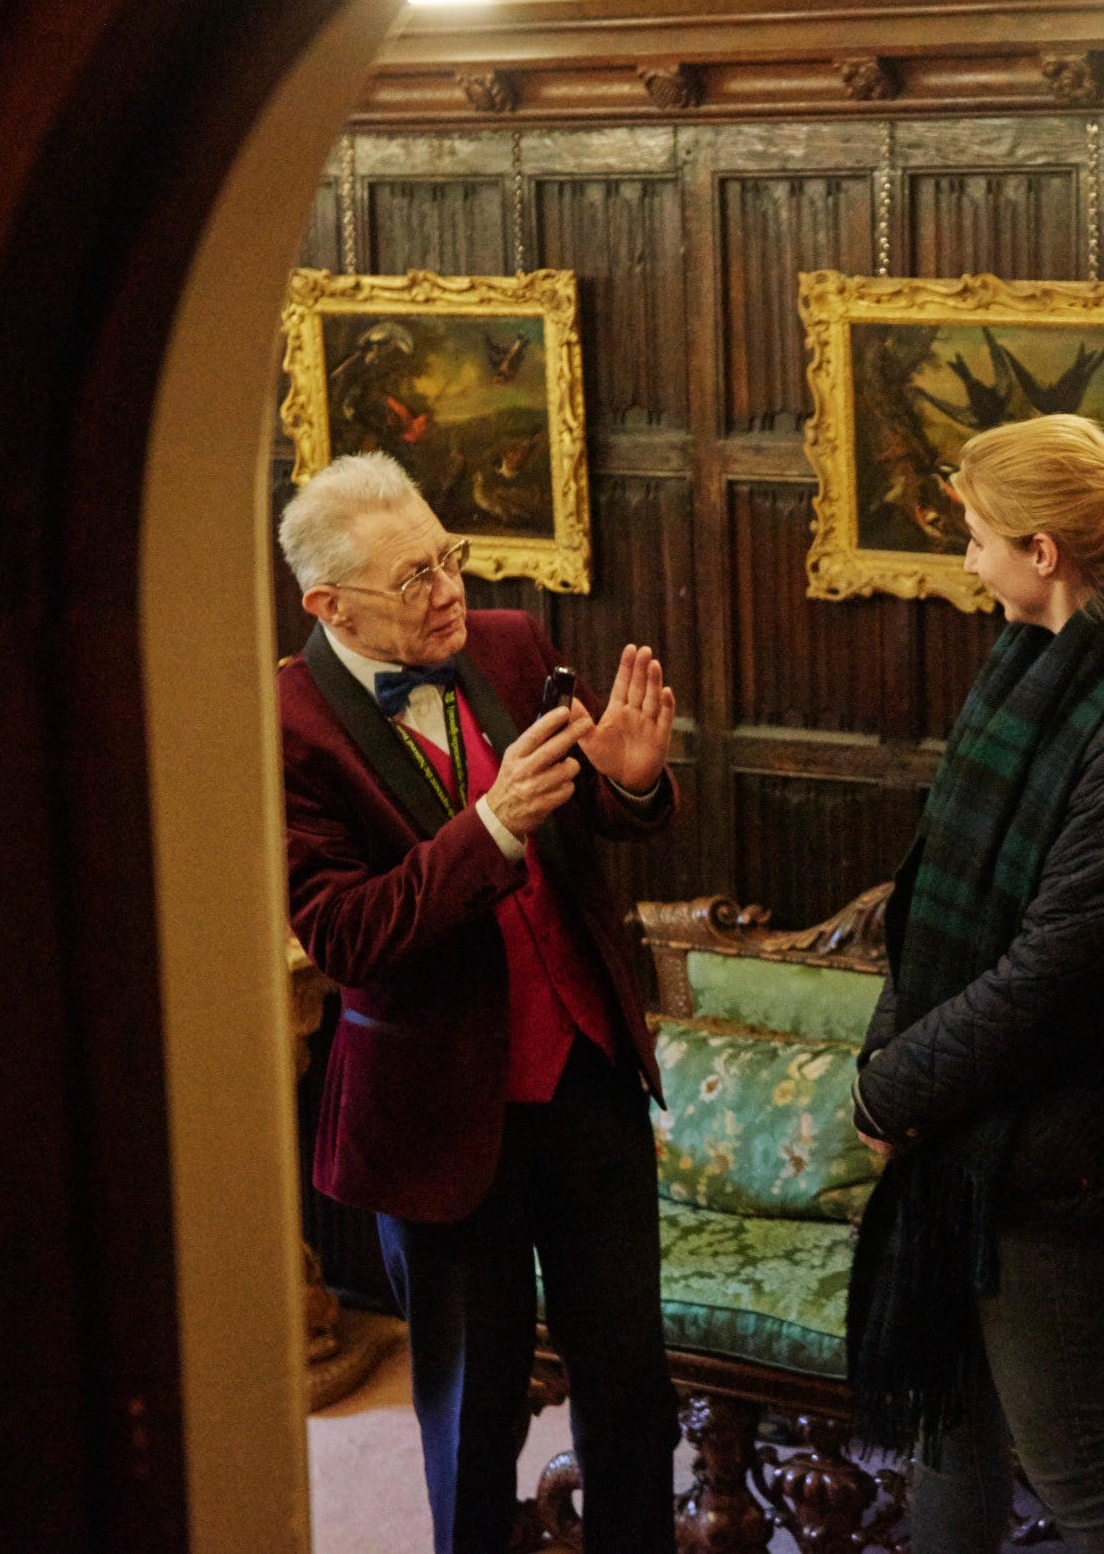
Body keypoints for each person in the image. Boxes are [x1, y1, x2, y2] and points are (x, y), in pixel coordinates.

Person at [847, 416, 1104, 1554]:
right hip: (977, 1134)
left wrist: (892, 1094)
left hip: (1060, 1152)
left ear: (1043, 551)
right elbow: (935, 905)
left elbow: (1052, 971)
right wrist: (895, 1068)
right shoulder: (1036, 664)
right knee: (955, 1434)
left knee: (1072, 1459)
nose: (965, 562)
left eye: (974, 538)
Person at [277, 452, 682, 1554]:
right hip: (440, 1120)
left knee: (632, 1391)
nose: (449, 589)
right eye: (413, 579)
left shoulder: (509, 645)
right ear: (329, 604)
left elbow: (598, 801)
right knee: (473, 1413)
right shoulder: (287, 726)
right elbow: (348, 933)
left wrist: (635, 781)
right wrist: (492, 826)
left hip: (588, 1078)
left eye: (447, 556)